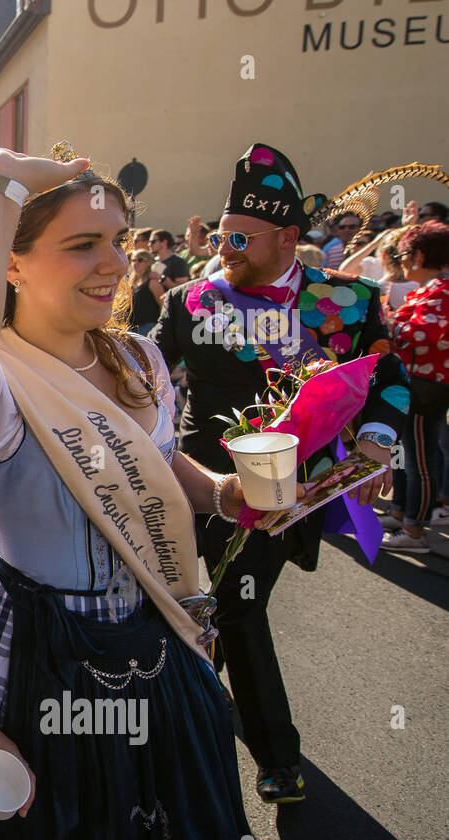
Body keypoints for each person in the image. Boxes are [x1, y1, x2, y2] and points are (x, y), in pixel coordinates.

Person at [0, 144, 266, 840]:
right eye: (82, 245)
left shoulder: (138, 358)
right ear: (13, 263)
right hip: (39, 653)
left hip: (153, 634)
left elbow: (169, 472)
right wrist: (0, 180)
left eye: (118, 240)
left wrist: (230, 494)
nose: (115, 262)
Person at [156, 143, 407, 805]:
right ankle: (264, 751)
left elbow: (389, 377)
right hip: (203, 485)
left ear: (289, 237)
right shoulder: (188, 303)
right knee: (229, 605)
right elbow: (143, 376)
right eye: (219, 233)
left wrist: (379, 437)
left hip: (298, 490)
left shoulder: (352, 302)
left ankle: (205, 724)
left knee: (230, 605)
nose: (224, 245)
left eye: (240, 236)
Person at [381, 221, 449, 552]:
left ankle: (415, 530)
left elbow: (421, 334)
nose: (402, 260)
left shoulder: (442, 292)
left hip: (428, 389)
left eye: (405, 253)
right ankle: (400, 511)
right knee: (410, 453)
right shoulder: (433, 289)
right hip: (419, 385)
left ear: (419, 255)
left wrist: (389, 323)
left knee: (421, 460)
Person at [126, 248, 165, 334]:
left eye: (140, 260)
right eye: (133, 260)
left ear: (148, 263)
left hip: (148, 326)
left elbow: (163, 305)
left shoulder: (152, 282)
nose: (135, 263)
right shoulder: (132, 282)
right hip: (131, 326)